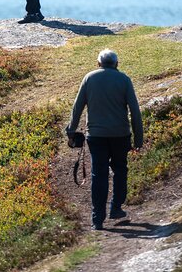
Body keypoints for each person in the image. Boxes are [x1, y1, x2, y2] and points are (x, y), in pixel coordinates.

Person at [66, 49, 143, 230]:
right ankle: (116, 207)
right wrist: (138, 140)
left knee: (98, 175)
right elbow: (135, 112)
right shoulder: (124, 80)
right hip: (120, 135)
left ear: (98, 63)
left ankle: (97, 219)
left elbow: (77, 108)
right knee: (120, 170)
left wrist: (71, 131)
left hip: (96, 136)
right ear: (117, 64)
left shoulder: (89, 78)